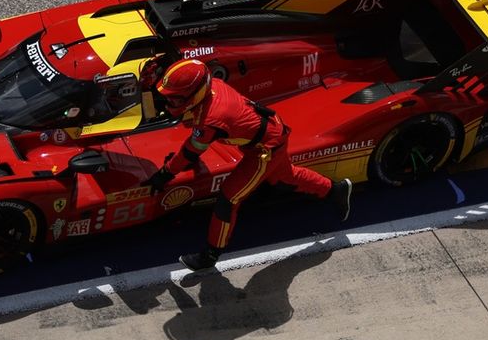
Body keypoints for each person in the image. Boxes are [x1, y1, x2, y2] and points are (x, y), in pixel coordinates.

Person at [145, 59, 353, 271]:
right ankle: (336, 190)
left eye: (174, 98)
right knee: (284, 178)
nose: (169, 103)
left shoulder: (211, 120)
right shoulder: (212, 86)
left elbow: (190, 151)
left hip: (264, 150)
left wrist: (164, 174)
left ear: (195, 94)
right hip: (267, 134)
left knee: (228, 199)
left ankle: (210, 255)